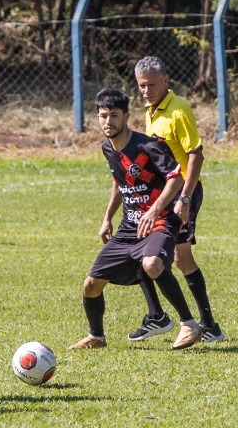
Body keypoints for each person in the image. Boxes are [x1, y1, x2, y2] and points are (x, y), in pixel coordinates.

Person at [70, 88, 203, 351]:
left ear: (127, 116)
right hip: (130, 226)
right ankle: (96, 337)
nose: (108, 122)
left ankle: (189, 324)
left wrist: (154, 210)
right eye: (103, 116)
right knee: (91, 285)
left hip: (162, 220)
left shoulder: (147, 145)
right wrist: (107, 217)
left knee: (153, 263)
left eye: (114, 116)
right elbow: (120, 182)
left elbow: (176, 178)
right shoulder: (108, 148)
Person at [128, 57, 226, 342]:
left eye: (152, 85)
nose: (146, 90)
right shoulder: (152, 109)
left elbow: (196, 154)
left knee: (180, 257)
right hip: (163, 194)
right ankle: (158, 316)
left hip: (183, 194)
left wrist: (184, 198)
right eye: (142, 86)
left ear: (166, 81)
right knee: (146, 248)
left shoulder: (178, 110)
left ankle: (207, 325)